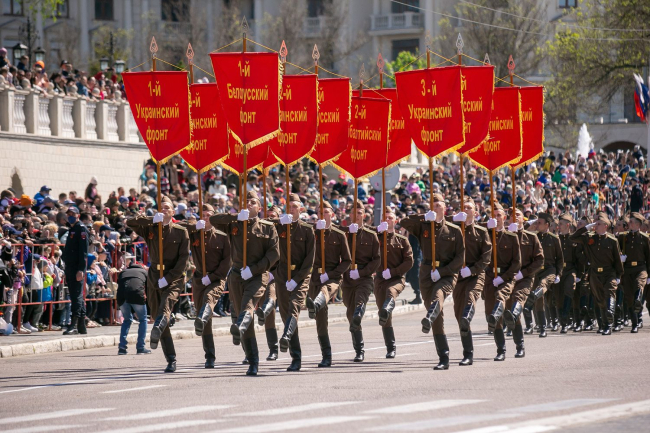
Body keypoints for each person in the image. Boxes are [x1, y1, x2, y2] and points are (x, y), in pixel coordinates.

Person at [210, 191, 279, 376]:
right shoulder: (235, 223)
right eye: (246, 202)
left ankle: (240, 328)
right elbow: (214, 220)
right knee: (243, 314)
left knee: (248, 305)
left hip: (257, 276)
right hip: (237, 276)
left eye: (253, 202)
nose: (249, 204)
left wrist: (254, 269)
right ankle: (253, 360)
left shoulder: (267, 227)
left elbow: (274, 254)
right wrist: (235, 216)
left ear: (260, 207)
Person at [400, 193, 464, 370]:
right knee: (436, 316)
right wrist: (423, 217)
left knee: (438, 295)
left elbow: (460, 257)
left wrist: (442, 271)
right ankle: (443, 357)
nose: (435, 208)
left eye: (438, 205)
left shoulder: (454, 230)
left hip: (447, 273)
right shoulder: (424, 225)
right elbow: (404, 222)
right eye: (432, 205)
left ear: (445, 208)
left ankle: (443, 355)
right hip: (427, 273)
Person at [126, 196, 190, 372]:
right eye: (161, 208)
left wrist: (168, 278)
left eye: (167, 208)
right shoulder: (152, 227)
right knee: (158, 316)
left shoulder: (180, 231)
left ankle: (170, 357)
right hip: (155, 276)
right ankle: (171, 358)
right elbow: (131, 222)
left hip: (174, 277)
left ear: (173, 212)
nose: (164, 210)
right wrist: (151, 219)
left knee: (165, 307)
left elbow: (184, 259)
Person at [268, 193, 315, 372]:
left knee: (294, 307)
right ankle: (295, 355)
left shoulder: (307, 230)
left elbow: (309, 260)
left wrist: (296, 280)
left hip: (301, 276)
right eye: (289, 207)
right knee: (286, 315)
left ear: (301, 209)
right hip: (282, 276)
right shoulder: (280, 226)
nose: (292, 209)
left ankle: (288, 341)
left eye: (295, 207)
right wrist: (279, 221)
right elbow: (264, 223)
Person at [181, 203, 231, 368]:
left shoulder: (222, 236)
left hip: (216, 279)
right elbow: (179, 228)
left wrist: (213, 277)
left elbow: (227, 261)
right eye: (203, 215)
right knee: (204, 319)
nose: (206, 218)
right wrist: (194, 226)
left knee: (208, 301)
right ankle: (209, 356)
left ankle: (202, 320)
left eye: (208, 215)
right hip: (199, 279)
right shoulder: (195, 232)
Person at [305, 200, 351, 367]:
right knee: (321, 320)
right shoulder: (311, 232)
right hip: (315, 278)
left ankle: (316, 304)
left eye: (325, 212)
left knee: (325, 292)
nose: (322, 215)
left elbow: (347, 261)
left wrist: (331, 274)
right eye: (319, 212)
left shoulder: (338, 234)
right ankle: (327, 356)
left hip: (332, 277)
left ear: (332, 214)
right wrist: (315, 231)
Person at [451, 198, 491, 366]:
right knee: (459, 316)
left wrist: (473, 269)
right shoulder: (453, 230)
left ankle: (468, 317)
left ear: (475, 212)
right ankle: (468, 353)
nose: (466, 209)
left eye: (469, 207)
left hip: (475, 274)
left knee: (471, 297)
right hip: (458, 277)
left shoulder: (481, 232)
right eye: (463, 207)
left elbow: (486, 257)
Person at [570, 212, 624, 335]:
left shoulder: (612, 240)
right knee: (600, 300)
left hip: (609, 273)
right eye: (595, 223)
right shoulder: (589, 237)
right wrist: (586, 228)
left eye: (598, 224)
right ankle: (605, 325)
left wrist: (618, 275)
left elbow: (617, 259)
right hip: (594, 274)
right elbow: (572, 237)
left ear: (605, 226)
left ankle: (609, 322)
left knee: (610, 294)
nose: (596, 225)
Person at [340, 200, 380, 363]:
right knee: (351, 314)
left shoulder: (371, 235)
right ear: (349, 215)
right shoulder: (344, 234)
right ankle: (358, 347)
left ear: (364, 215)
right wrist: (348, 233)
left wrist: (362, 272)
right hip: (348, 278)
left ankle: (360, 351)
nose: (356, 216)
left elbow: (377, 259)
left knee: (359, 303)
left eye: (359, 213)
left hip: (364, 277)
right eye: (353, 213)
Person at [482, 203, 522, 360]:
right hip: (490, 278)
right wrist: (486, 227)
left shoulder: (511, 237)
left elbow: (517, 263)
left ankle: (520, 345)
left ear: (504, 218)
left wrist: (503, 278)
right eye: (494, 216)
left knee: (508, 309)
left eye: (499, 215)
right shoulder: (486, 234)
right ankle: (501, 350)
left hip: (507, 278)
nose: (497, 218)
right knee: (492, 315)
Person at [374, 206, 413, 358]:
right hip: (380, 280)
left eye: (390, 218)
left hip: (396, 278)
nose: (387, 220)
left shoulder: (402, 240)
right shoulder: (375, 238)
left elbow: (409, 261)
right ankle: (391, 347)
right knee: (384, 315)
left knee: (391, 293)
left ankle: (387, 307)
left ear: (395, 221)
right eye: (385, 218)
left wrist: (393, 271)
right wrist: (377, 231)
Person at [527, 212, 563, 338]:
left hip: (549, 270)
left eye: (539, 223)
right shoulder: (533, 237)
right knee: (539, 300)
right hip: (536, 271)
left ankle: (533, 297)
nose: (537, 225)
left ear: (547, 225)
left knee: (542, 285)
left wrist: (558, 274)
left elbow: (560, 259)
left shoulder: (554, 238)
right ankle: (542, 328)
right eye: (536, 222)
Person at [255, 205, 281, 362]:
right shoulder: (262, 231)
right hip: (259, 273)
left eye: (274, 216)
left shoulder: (284, 232)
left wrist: (273, 273)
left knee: (270, 299)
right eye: (268, 215)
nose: (270, 218)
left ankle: (274, 349)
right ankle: (249, 352)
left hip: (276, 276)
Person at [617, 212, 650, 333]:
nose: (628, 224)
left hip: (641, 268)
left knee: (638, 285)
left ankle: (638, 301)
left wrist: (649, 274)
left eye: (631, 222)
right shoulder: (623, 237)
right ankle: (634, 324)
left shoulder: (645, 238)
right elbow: (616, 250)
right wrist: (621, 257)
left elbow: (649, 257)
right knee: (629, 297)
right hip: (628, 269)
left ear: (638, 224)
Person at [116, 253, 150, 355]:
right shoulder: (144, 272)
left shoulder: (123, 272)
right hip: (137, 295)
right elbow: (148, 288)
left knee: (127, 320)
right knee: (143, 319)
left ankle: (122, 348)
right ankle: (140, 347)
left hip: (121, 297)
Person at [61, 207, 89, 335]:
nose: (70, 216)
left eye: (73, 214)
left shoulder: (81, 229)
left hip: (76, 267)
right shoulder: (72, 228)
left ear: (78, 215)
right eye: (68, 214)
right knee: (76, 295)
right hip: (70, 266)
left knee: (76, 296)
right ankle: (81, 325)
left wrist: (81, 269)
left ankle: (74, 324)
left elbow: (83, 252)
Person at [556, 213, 584, 333]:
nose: (559, 226)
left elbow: (579, 259)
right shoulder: (556, 239)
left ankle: (565, 320)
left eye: (561, 224)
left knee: (569, 291)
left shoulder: (574, 239)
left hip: (570, 270)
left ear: (568, 225)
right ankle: (563, 321)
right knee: (558, 298)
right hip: (558, 271)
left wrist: (579, 274)